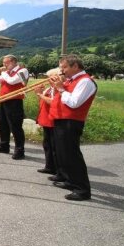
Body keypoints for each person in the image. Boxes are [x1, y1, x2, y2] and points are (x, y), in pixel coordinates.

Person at [47, 55, 97, 201]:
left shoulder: (85, 81)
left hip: (71, 121)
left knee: (72, 155)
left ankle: (82, 189)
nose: (62, 71)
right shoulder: (71, 80)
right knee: (63, 153)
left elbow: (74, 102)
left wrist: (61, 89)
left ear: (75, 66)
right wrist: (58, 87)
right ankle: (69, 180)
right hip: (61, 119)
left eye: (64, 67)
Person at [0, 55, 29, 159]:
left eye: (6, 63)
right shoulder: (6, 73)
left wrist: (2, 72)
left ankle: (20, 150)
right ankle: (4, 145)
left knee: (15, 126)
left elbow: (12, 81)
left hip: (15, 101)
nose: (4, 65)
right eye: (3, 63)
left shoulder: (23, 70)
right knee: (2, 124)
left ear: (13, 62)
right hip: (3, 100)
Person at [34, 68, 60, 175]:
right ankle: (49, 166)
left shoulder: (58, 89)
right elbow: (42, 101)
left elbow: (53, 102)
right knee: (47, 145)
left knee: (54, 146)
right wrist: (39, 94)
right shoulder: (49, 89)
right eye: (48, 77)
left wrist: (40, 94)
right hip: (46, 119)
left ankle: (57, 169)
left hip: (53, 120)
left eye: (51, 77)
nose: (48, 80)